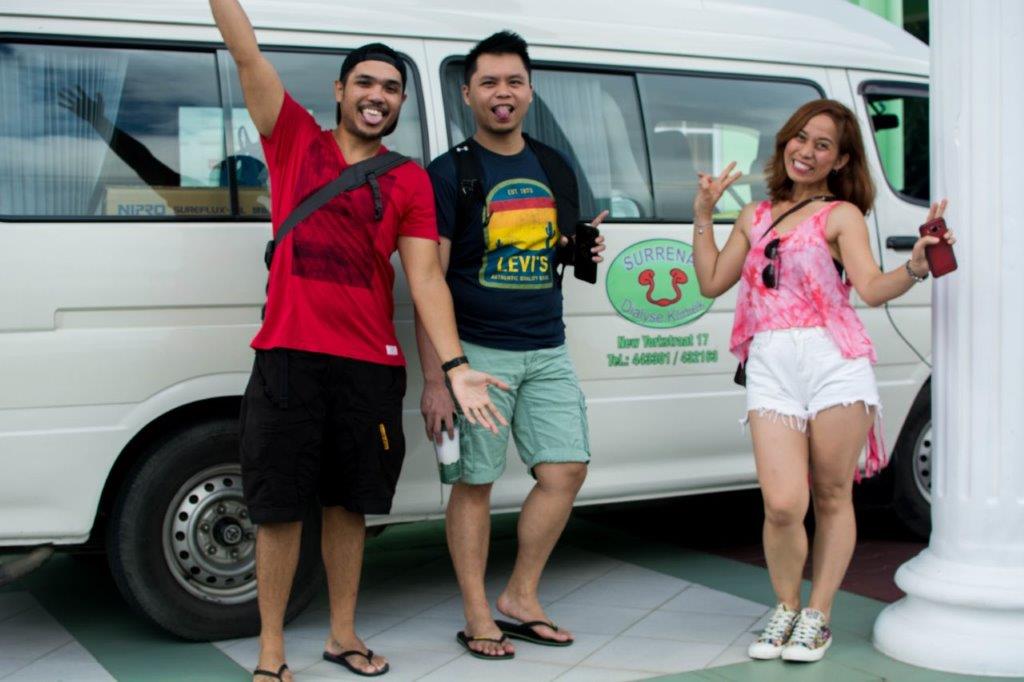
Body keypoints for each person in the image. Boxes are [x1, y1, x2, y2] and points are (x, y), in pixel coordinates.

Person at [209, 2, 509, 680]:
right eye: (366, 83)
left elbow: (426, 277)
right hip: (288, 357)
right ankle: (271, 651)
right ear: (340, 90)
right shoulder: (293, 139)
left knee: (350, 507)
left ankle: (342, 635)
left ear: (402, 102)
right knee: (278, 510)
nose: (378, 96)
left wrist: (455, 365)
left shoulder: (408, 178)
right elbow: (246, 52)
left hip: (369, 367)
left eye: (392, 88)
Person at [690, 99, 955, 663]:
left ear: (840, 160)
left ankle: (818, 614)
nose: (806, 152)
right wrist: (704, 215)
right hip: (770, 364)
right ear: (785, 140)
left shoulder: (841, 216)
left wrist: (916, 265)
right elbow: (711, 281)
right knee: (783, 503)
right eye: (800, 138)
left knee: (833, 493)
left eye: (823, 145)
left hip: (834, 361)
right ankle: (786, 605)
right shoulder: (754, 214)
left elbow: (871, 288)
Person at [413, 31, 606, 660]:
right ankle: (477, 612)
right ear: (467, 94)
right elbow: (428, 282)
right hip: (476, 353)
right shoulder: (450, 173)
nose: (504, 93)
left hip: (547, 346)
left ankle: (520, 595)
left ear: (529, 90)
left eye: (514, 81)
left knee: (565, 470)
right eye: (489, 82)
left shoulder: (553, 166)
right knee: (475, 481)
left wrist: (579, 247)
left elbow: (556, 248)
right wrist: (440, 378)